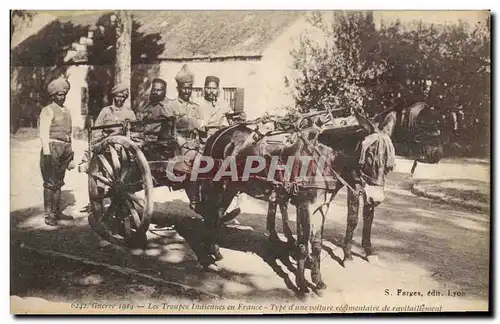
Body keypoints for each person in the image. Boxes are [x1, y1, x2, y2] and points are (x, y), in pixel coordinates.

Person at [39, 77, 75, 226]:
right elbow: (43, 132)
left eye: (63, 94)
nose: (62, 97)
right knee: (50, 183)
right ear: (53, 96)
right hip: (52, 148)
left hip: (65, 149)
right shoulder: (48, 110)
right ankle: (49, 215)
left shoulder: (67, 111)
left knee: (59, 183)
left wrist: (71, 155)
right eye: (59, 95)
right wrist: (47, 153)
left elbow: (69, 133)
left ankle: (57, 211)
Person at [78, 84, 136, 173]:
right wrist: (97, 141)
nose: (120, 99)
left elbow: (134, 130)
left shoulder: (130, 113)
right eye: (118, 96)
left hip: (125, 141)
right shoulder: (105, 111)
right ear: (114, 97)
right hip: (108, 141)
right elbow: (97, 128)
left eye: (123, 97)